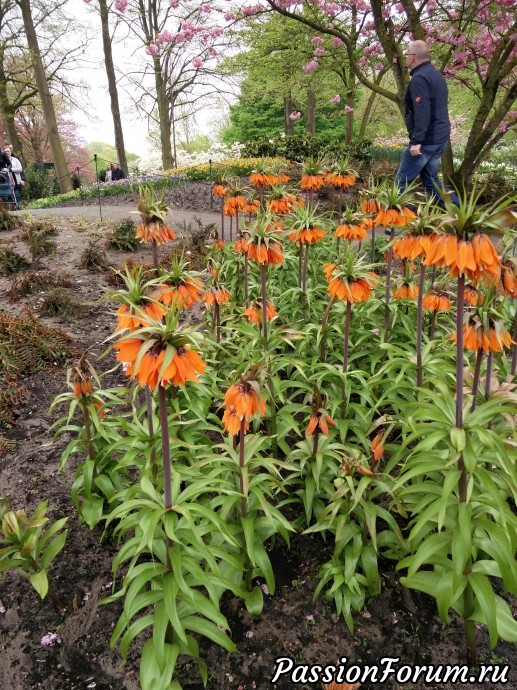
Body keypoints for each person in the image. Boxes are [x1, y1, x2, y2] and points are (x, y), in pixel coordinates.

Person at [396, 40, 459, 207]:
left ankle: (402, 223)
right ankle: (461, 215)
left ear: (413, 57)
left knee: (402, 182)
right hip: (439, 138)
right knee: (430, 181)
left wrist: (417, 141)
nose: (406, 58)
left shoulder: (420, 79)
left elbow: (423, 111)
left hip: (426, 141)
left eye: (407, 54)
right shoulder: (436, 75)